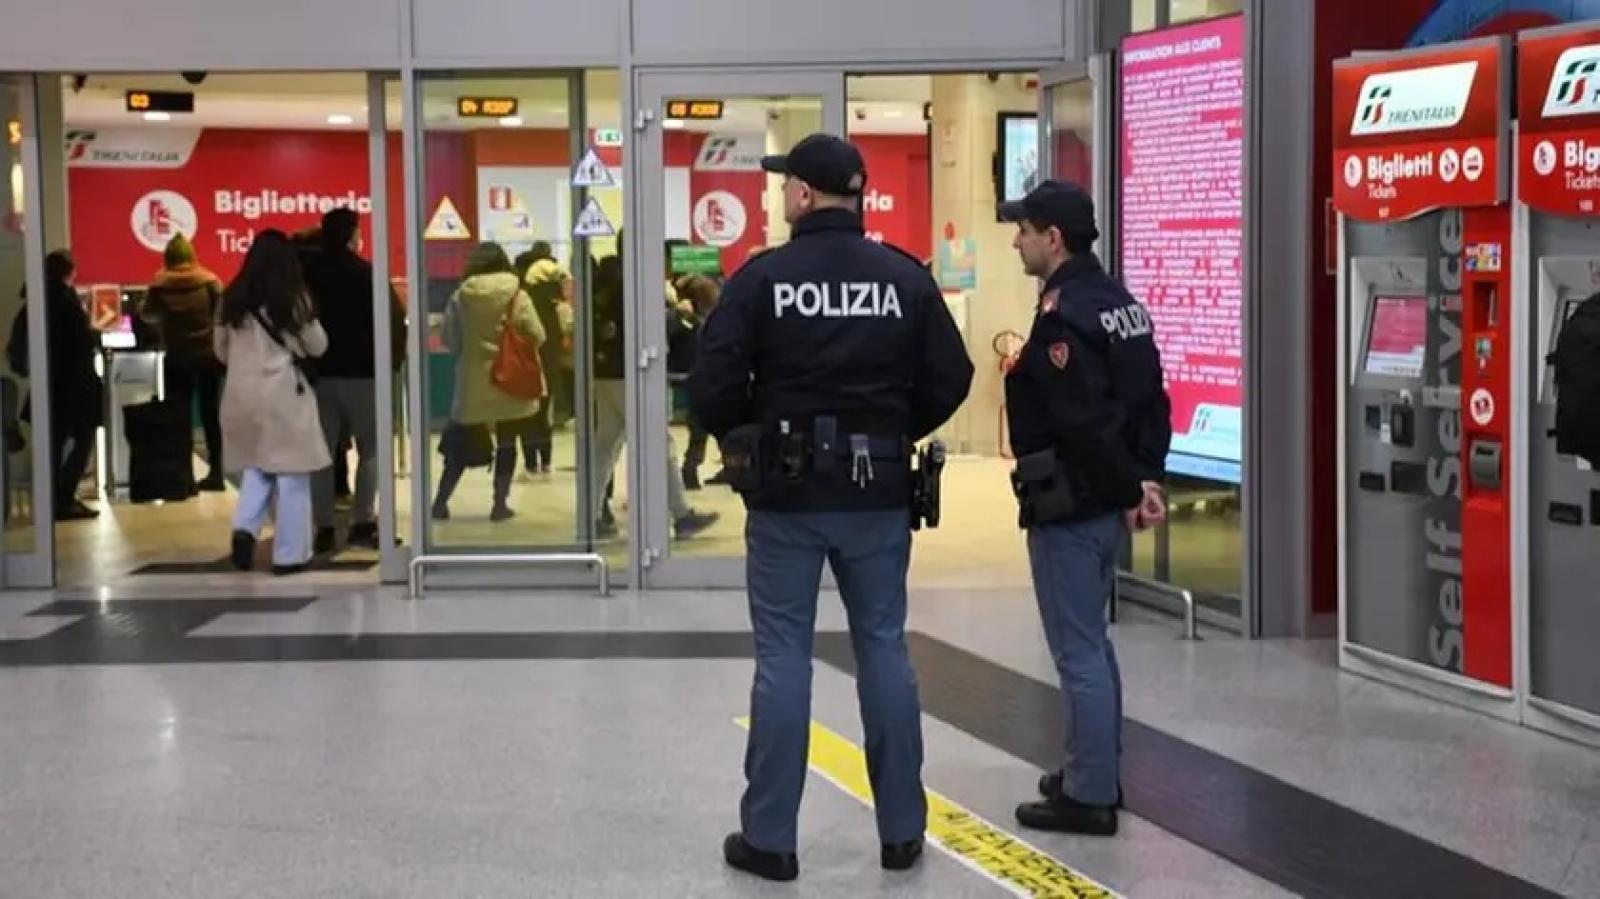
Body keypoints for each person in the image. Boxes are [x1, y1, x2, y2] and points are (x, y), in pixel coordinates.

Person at [691, 133, 973, 882]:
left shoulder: (762, 279)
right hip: (877, 492)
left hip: (785, 497)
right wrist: (892, 428)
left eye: (787, 185)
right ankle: (902, 831)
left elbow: (712, 380)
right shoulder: (903, 277)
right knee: (883, 645)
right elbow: (953, 373)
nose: (783, 195)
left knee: (783, 654)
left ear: (806, 196)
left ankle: (771, 839)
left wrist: (742, 431)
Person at [998, 180, 1171, 837]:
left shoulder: (1066, 315)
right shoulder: (1122, 304)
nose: (1016, 240)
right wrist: (1146, 478)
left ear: (1054, 239)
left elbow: (1083, 419)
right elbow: (1153, 401)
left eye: (1024, 230)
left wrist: (1129, 488)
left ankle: (1089, 791)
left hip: (1072, 502)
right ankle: (1085, 768)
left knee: (1077, 650)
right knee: (1092, 644)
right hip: (1107, 496)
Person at [215, 230, 330, 575]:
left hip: (240, 394)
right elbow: (318, 345)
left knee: (258, 465)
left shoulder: (230, 298)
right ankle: (290, 554)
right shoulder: (293, 299)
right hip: (282, 395)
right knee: (292, 474)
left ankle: (244, 528)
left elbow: (220, 351)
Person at [590, 239, 718, 540]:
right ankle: (681, 514)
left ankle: (592, 514)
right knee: (661, 446)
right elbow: (645, 326)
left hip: (606, 372)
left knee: (604, 447)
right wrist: (679, 313)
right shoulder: (639, 278)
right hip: (636, 373)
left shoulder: (606, 276)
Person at [303, 208, 406, 553]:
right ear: (353, 236)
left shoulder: (308, 274)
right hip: (365, 374)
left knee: (321, 455)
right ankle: (363, 522)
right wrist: (392, 363)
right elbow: (395, 319)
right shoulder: (367, 274)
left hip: (320, 376)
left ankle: (324, 528)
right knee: (372, 450)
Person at [431, 243, 545, 522]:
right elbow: (537, 334)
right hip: (510, 381)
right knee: (507, 443)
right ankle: (499, 505)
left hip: (472, 383)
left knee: (459, 445)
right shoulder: (518, 295)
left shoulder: (461, 296)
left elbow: (449, 338)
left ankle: (441, 502)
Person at [142, 233, 226, 491]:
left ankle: (183, 477)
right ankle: (216, 473)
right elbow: (223, 314)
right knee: (211, 416)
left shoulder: (159, 286)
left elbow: (147, 314)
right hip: (208, 357)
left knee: (178, 418)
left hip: (177, 358)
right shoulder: (209, 282)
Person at [28, 251, 105, 521]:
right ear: (69, 271)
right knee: (82, 440)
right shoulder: (65, 299)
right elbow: (81, 340)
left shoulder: (36, 297)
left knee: (54, 441)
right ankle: (63, 498)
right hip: (74, 383)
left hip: (49, 382)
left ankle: (51, 497)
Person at [517, 241, 572, 476]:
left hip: (525, 360)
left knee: (527, 413)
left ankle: (530, 461)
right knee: (544, 412)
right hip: (549, 362)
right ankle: (546, 459)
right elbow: (567, 328)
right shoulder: (558, 303)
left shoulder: (522, 298)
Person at [673, 273, 721, 490]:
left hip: (693, 378)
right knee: (709, 426)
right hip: (705, 378)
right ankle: (692, 468)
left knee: (699, 429)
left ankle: (691, 467)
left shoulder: (688, 321)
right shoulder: (706, 323)